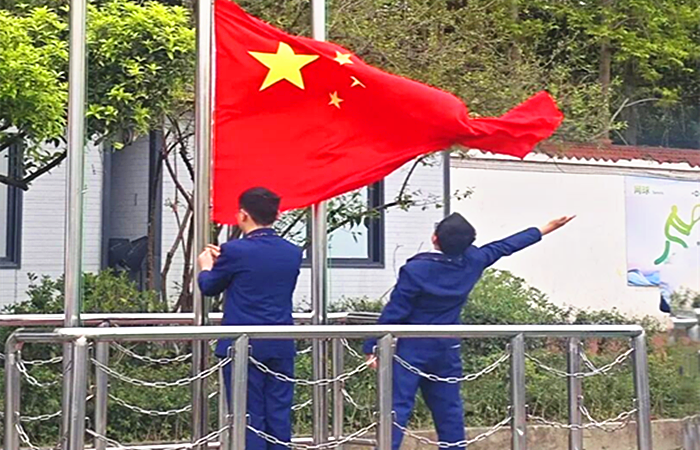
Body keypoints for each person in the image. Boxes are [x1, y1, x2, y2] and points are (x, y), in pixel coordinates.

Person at [362, 213, 574, 450]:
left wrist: (372, 345)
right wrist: (547, 228)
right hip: (447, 346)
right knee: (449, 409)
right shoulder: (473, 261)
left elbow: (396, 310)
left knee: (397, 408)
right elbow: (505, 246)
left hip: (411, 347)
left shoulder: (416, 269)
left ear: (434, 238)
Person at [198, 187, 302, 450]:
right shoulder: (292, 251)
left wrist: (207, 267)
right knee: (279, 415)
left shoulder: (234, 251)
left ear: (243, 215)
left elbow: (210, 286)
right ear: (277, 215)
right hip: (281, 341)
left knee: (249, 416)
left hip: (243, 344)